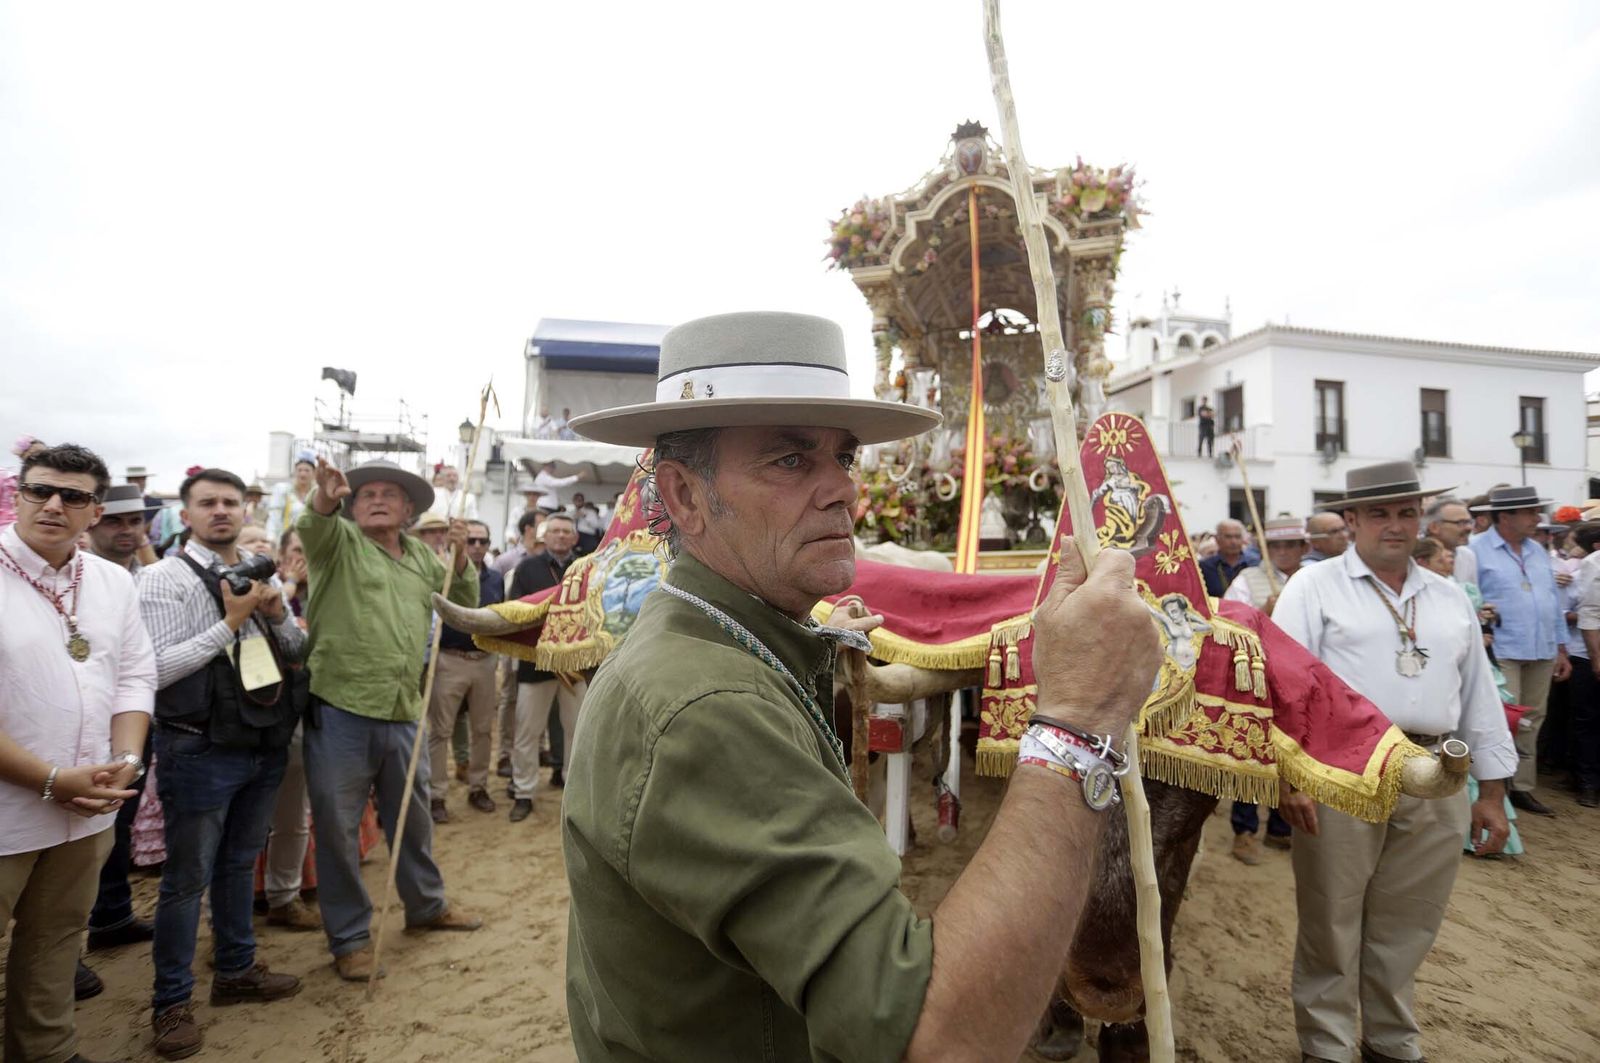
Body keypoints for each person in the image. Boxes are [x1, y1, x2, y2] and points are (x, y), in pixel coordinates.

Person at [560, 310, 1161, 1061]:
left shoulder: (729, 644)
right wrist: (1076, 720)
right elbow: (938, 1040)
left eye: (843, 457)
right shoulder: (706, 707)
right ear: (683, 497)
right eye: (789, 460)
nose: (843, 488)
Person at [1273, 460, 1517, 1063]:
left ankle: (1390, 1041)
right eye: (1379, 513)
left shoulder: (1449, 596)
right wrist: (1290, 776)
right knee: (1331, 917)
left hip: (1435, 771)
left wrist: (1492, 792)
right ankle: (1326, 1046)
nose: (1395, 525)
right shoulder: (1314, 585)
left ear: (1420, 519)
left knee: (1409, 920)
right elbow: (1283, 686)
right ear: (1351, 519)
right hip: (1341, 771)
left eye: (1406, 512)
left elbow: (1479, 695)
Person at [137, 468, 308, 1058]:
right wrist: (230, 622)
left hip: (260, 740)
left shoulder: (261, 573)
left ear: (244, 510)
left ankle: (235, 971)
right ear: (185, 514)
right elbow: (157, 669)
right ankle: (171, 1002)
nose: (221, 511)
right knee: (185, 882)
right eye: (207, 503)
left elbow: (293, 650)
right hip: (197, 745)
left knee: (238, 866)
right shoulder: (161, 580)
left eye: (231, 503)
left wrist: (277, 614)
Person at [296, 458, 483, 982]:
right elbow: (312, 525)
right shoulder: (337, 543)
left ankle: (426, 906)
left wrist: (460, 557)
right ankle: (351, 937)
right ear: (352, 507)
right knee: (337, 827)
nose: (377, 499)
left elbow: (461, 603)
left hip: (405, 708)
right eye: (366, 494)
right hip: (340, 708)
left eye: (389, 494)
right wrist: (324, 499)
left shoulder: (424, 556)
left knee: (414, 817)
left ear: (408, 509)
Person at [0, 443, 156, 1063]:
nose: (53, 505)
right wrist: (50, 779)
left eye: (74, 496)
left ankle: (48, 1052)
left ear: (95, 510)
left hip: (90, 803)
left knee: (58, 941)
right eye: (40, 490)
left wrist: (127, 760)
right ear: (19, 492)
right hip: (11, 810)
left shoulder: (112, 581)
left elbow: (134, 677)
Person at [83, 485, 163, 959]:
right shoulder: (78, 577)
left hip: (134, 719)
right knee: (76, 836)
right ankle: (58, 951)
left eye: (135, 520)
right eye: (115, 521)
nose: (128, 530)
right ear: (92, 521)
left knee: (118, 824)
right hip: (86, 719)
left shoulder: (144, 577)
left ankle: (112, 914)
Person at [1469, 485, 1570, 816]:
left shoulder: (1538, 551)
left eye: (1536, 511)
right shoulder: (1476, 551)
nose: (1536, 518)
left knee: (1532, 719)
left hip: (1540, 647)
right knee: (1501, 719)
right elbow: (1468, 597)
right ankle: (1494, 786)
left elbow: (1552, 602)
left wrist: (1561, 649)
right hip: (1502, 648)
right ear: (1504, 517)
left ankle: (1521, 787)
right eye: (1529, 512)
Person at [1223, 516, 1307, 863]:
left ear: (1305, 547)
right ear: (1265, 549)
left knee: (1295, 754)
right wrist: (1263, 614)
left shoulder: (1314, 580)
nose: (1283, 552)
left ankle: (1281, 827)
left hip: (1302, 682)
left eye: (1290, 545)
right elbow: (1228, 626)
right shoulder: (1247, 580)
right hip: (1260, 682)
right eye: (1276, 546)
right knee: (1253, 752)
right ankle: (1244, 831)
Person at [507, 512, 583, 821]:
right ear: (544, 536)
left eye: (566, 531)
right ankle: (523, 791)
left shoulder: (588, 567)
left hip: (577, 663)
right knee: (527, 731)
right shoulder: (526, 568)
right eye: (555, 531)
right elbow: (517, 611)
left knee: (578, 731)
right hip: (535, 662)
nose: (561, 536)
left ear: (575, 538)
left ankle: (573, 790)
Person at [427, 519, 504, 822]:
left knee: (483, 730)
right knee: (441, 731)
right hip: (449, 659)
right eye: (470, 540)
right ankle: (436, 794)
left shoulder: (497, 579)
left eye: (482, 541)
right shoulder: (441, 575)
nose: (475, 546)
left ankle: (478, 787)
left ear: (488, 545)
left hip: (484, 662)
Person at [1570, 522, 1600, 807]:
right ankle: (1587, 782)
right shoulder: (1594, 563)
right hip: (1588, 653)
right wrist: (1597, 659)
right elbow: (1590, 613)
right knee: (1589, 720)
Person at [1422, 496, 1476, 586]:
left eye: (1469, 522)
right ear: (1434, 527)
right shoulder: (1415, 555)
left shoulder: (1467, 556)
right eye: (1461, 523)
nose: (1469, 528)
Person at [265, 453, 316, 542]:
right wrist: (271, 539)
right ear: (295, 472)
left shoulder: (316, 494)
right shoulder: (283, 491)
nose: (303, 474)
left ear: (314, 473)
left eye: (307, 470)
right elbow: (274, 517)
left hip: (310, 542)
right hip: (286, 542)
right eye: (299, 470)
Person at [1199, 517, 1254, 597]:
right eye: (1228, 537)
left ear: (1243, 540)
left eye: (1237, 537)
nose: (1233, 542)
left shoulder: (1253, 563)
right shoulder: (1204, 567)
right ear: (1217, 539)